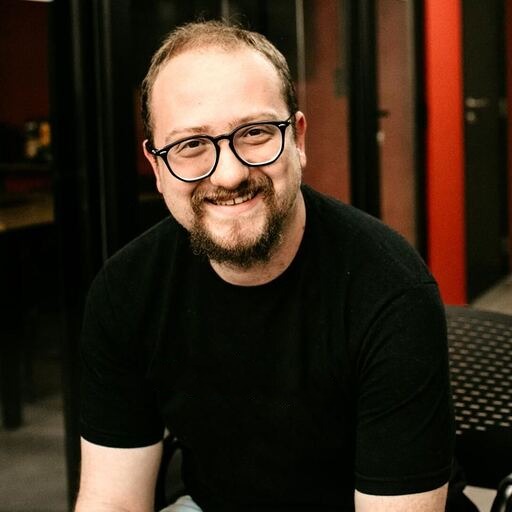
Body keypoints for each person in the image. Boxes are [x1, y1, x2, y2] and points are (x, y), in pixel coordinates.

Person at [76, 20, 454, 512]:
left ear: (298, 139)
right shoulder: (126, 290)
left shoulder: (390, 292)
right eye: (191, 144)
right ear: (157, 167)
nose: (230, 174)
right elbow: (112, 500)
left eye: (255, 133)